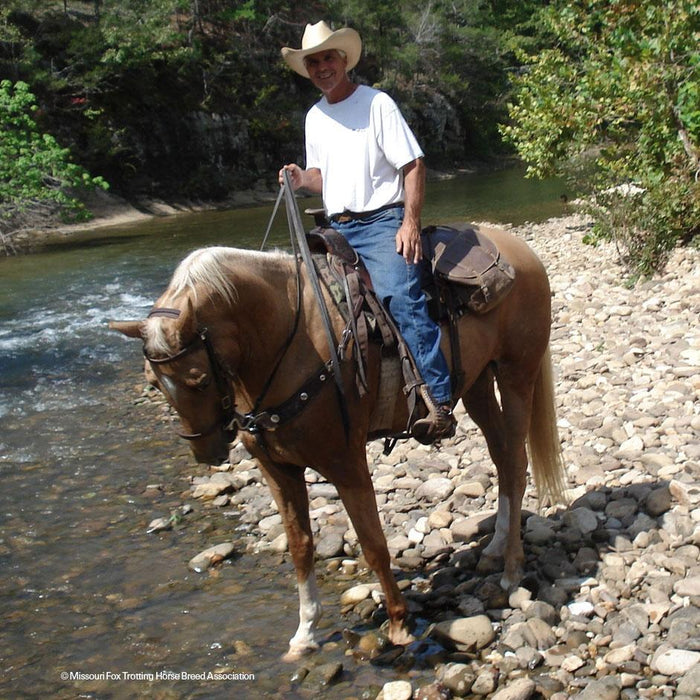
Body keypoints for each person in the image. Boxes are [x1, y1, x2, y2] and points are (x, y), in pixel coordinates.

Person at [279, 21, 455, 444]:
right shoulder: (315, 116)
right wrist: (302, 179)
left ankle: (440, 401)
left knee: (400, 294)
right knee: (302, 303)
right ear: (308, 69)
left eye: (328, 58)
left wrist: (410, 223)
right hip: (335, 225)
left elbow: (412, 164)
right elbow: (326, 176)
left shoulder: (377, 104)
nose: (322, 67)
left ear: (344, 60)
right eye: (314, 61)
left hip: (381, 222)